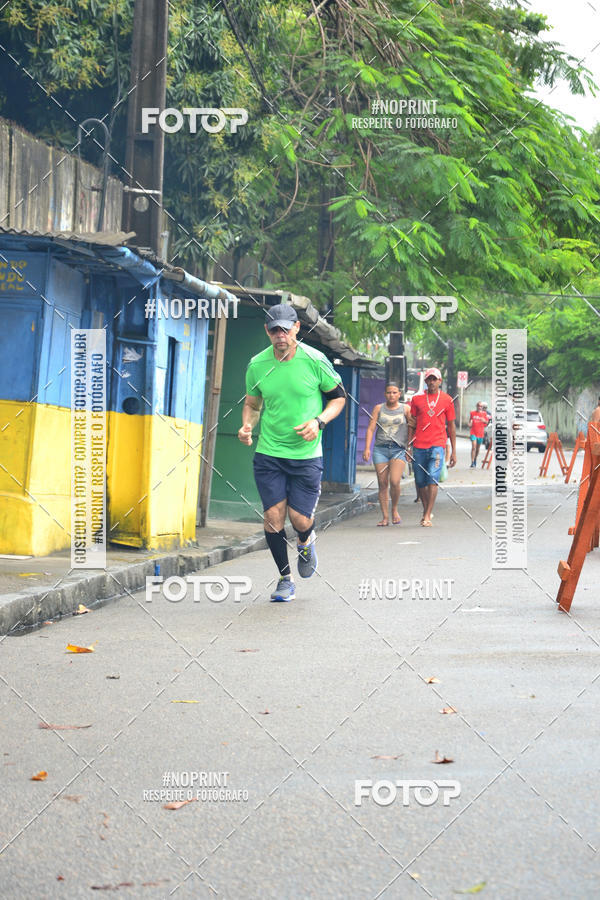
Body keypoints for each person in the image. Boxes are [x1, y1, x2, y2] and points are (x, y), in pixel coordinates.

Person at [238, 304, 346, 602]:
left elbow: (339, 399)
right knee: (273, 518)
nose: (280, 335)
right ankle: (285, 579)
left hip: (307, 455)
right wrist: (247, 425)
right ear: (267, 331)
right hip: (269, 452)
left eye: (286, 329)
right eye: (274, 330)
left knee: (299, 519)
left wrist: (319, 421)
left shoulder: (315, 360)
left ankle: (306, 539)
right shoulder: (257, 365)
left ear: (297, 327)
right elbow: (253, 403)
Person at [407, 367, 456, 527]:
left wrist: (453, 451)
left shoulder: (447, 400)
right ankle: (425, 510)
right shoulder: (417, 400)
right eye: (430, 379)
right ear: (426, 381)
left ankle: (427, 514)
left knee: (432, 479)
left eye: (435, 379)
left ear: (440, 381)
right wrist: (408, 446)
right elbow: (412, 424)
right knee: (420, 481)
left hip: (437, 445)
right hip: (419, 445)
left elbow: (451, 426)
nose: (432, 382)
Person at [362, 383, 412, 526]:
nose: (391, 395)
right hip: (380, 449)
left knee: (395, 481)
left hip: (398, 449)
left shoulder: (406, 409)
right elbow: (371, 429)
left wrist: (409, 447)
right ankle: (385, 517)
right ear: (385, 394)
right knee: (382, 483)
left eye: (394, 392)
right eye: (389, 392)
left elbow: (412, 428)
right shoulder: (378, 408)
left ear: (399, 394)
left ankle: (394, 509)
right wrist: (367, 448)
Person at [469, 401, 488, 467]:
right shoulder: (472, 413)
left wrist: (484, 421)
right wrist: (469, 424)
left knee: (477, 449)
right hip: (473, 432)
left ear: (482, 407)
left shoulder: (484, 414)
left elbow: (486, 423)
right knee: (473, 447)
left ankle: (475, 459)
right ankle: (472, 462)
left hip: (480, 433)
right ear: (476, 406)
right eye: (478, 406)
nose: (479, 407)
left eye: (481, 406)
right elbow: (470, 422)